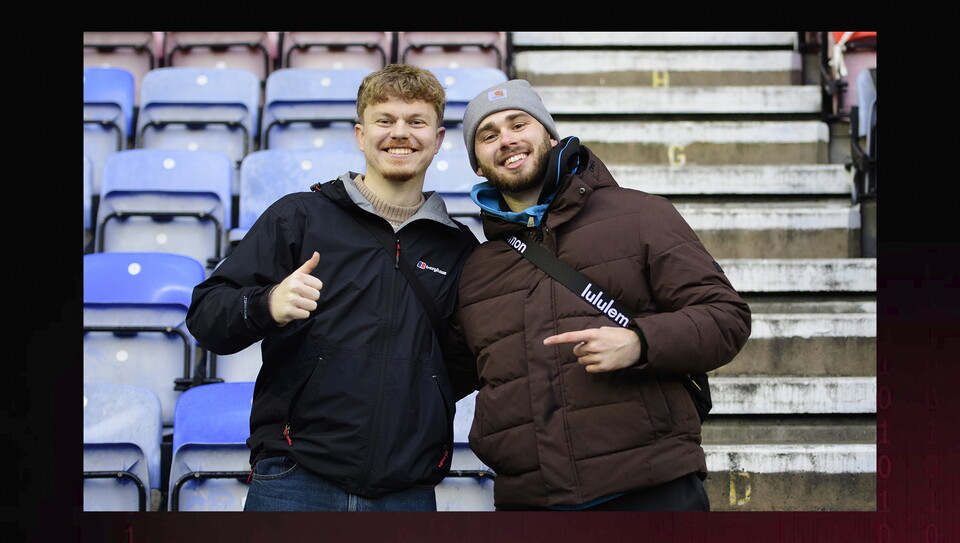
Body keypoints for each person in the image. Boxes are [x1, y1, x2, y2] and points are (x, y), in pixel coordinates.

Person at [185, 64, 479, 511]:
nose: (400, 133)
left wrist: (420, 392)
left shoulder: (457, 247)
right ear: (361, 135)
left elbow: (461, 359)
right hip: (294, 478)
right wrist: (266, 304)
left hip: (407, 491)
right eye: (385, 120)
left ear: (438, 140)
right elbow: (206, 317)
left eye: (416, 122)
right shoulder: (299, 217)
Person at [448, 79, 752, 511]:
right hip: (532, 505)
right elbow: (445, 371)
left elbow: (727, 318)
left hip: (651, 491)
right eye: (488, 134)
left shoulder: (642, 214)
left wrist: (640, 342)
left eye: (519, 124)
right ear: (477, 164)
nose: (507, 140)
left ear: (550, 137)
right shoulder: (477, 268)